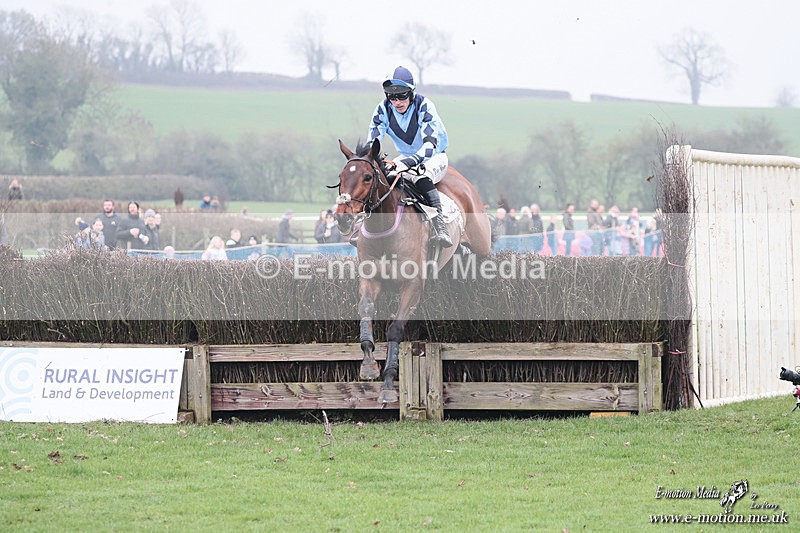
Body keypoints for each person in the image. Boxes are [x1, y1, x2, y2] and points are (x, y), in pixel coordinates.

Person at [367, 66, 452, 247]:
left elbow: (430, 146)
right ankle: (366, 225)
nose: (397, 102)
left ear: (411, 94)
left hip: (434, 157)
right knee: (381, 179)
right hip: (405, 157)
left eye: (402, 96)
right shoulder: (382, 110)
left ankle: (440, 227)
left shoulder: (425, 106)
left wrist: (409, 162)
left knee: (421, 177)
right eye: (391, 96)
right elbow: (372, 143)